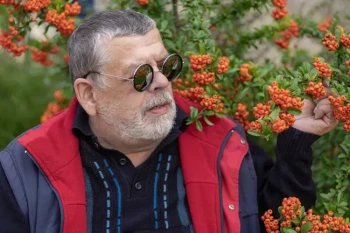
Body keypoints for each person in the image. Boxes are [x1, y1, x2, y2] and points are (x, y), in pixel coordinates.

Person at [0, 9, 338, 233]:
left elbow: (279, 223)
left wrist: (296, 143)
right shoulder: (26, 168)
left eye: (167, 66)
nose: (162, 82)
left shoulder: (222, 141)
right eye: (141, 75)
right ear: (89, 95)